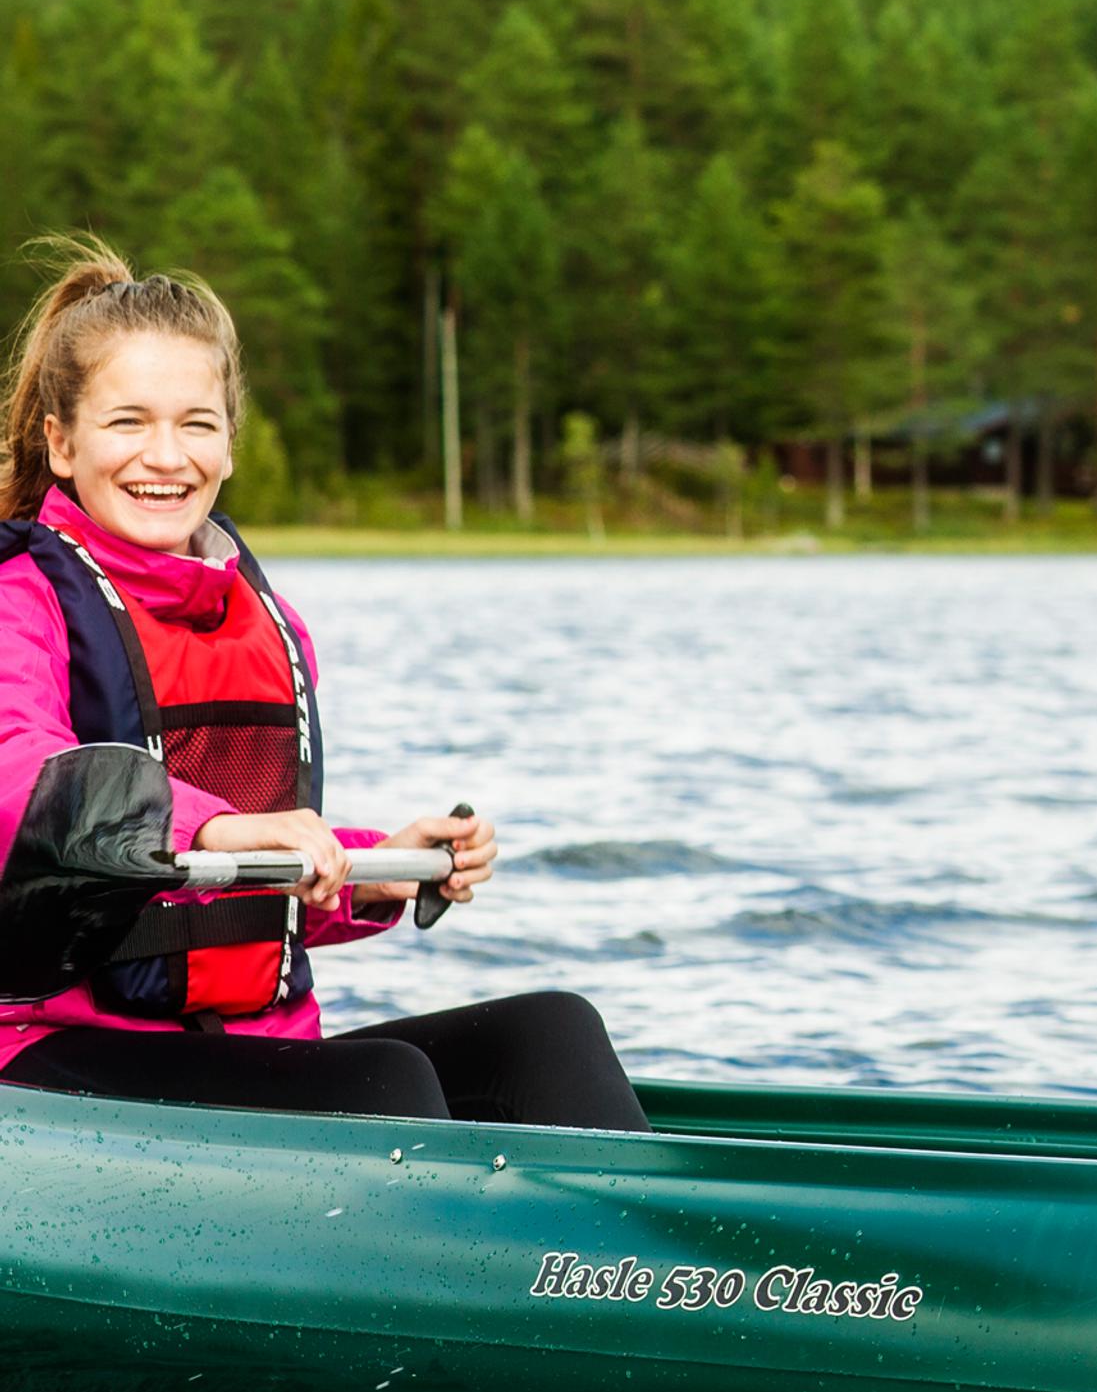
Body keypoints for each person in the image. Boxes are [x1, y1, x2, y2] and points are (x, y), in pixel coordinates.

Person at [0, 245, 647, 1129]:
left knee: (552, 1033)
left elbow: (250, 892)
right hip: (49, 1057)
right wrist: (217, 827)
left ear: (229, 444)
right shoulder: (22, 596)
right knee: (388, 1085)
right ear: (62, 443)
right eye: (128, 423)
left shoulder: (264, 618)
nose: (167, 455)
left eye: (197, 424)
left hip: (246, 1048)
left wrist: (374, 870)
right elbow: (18, 772)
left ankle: (635, 1228)